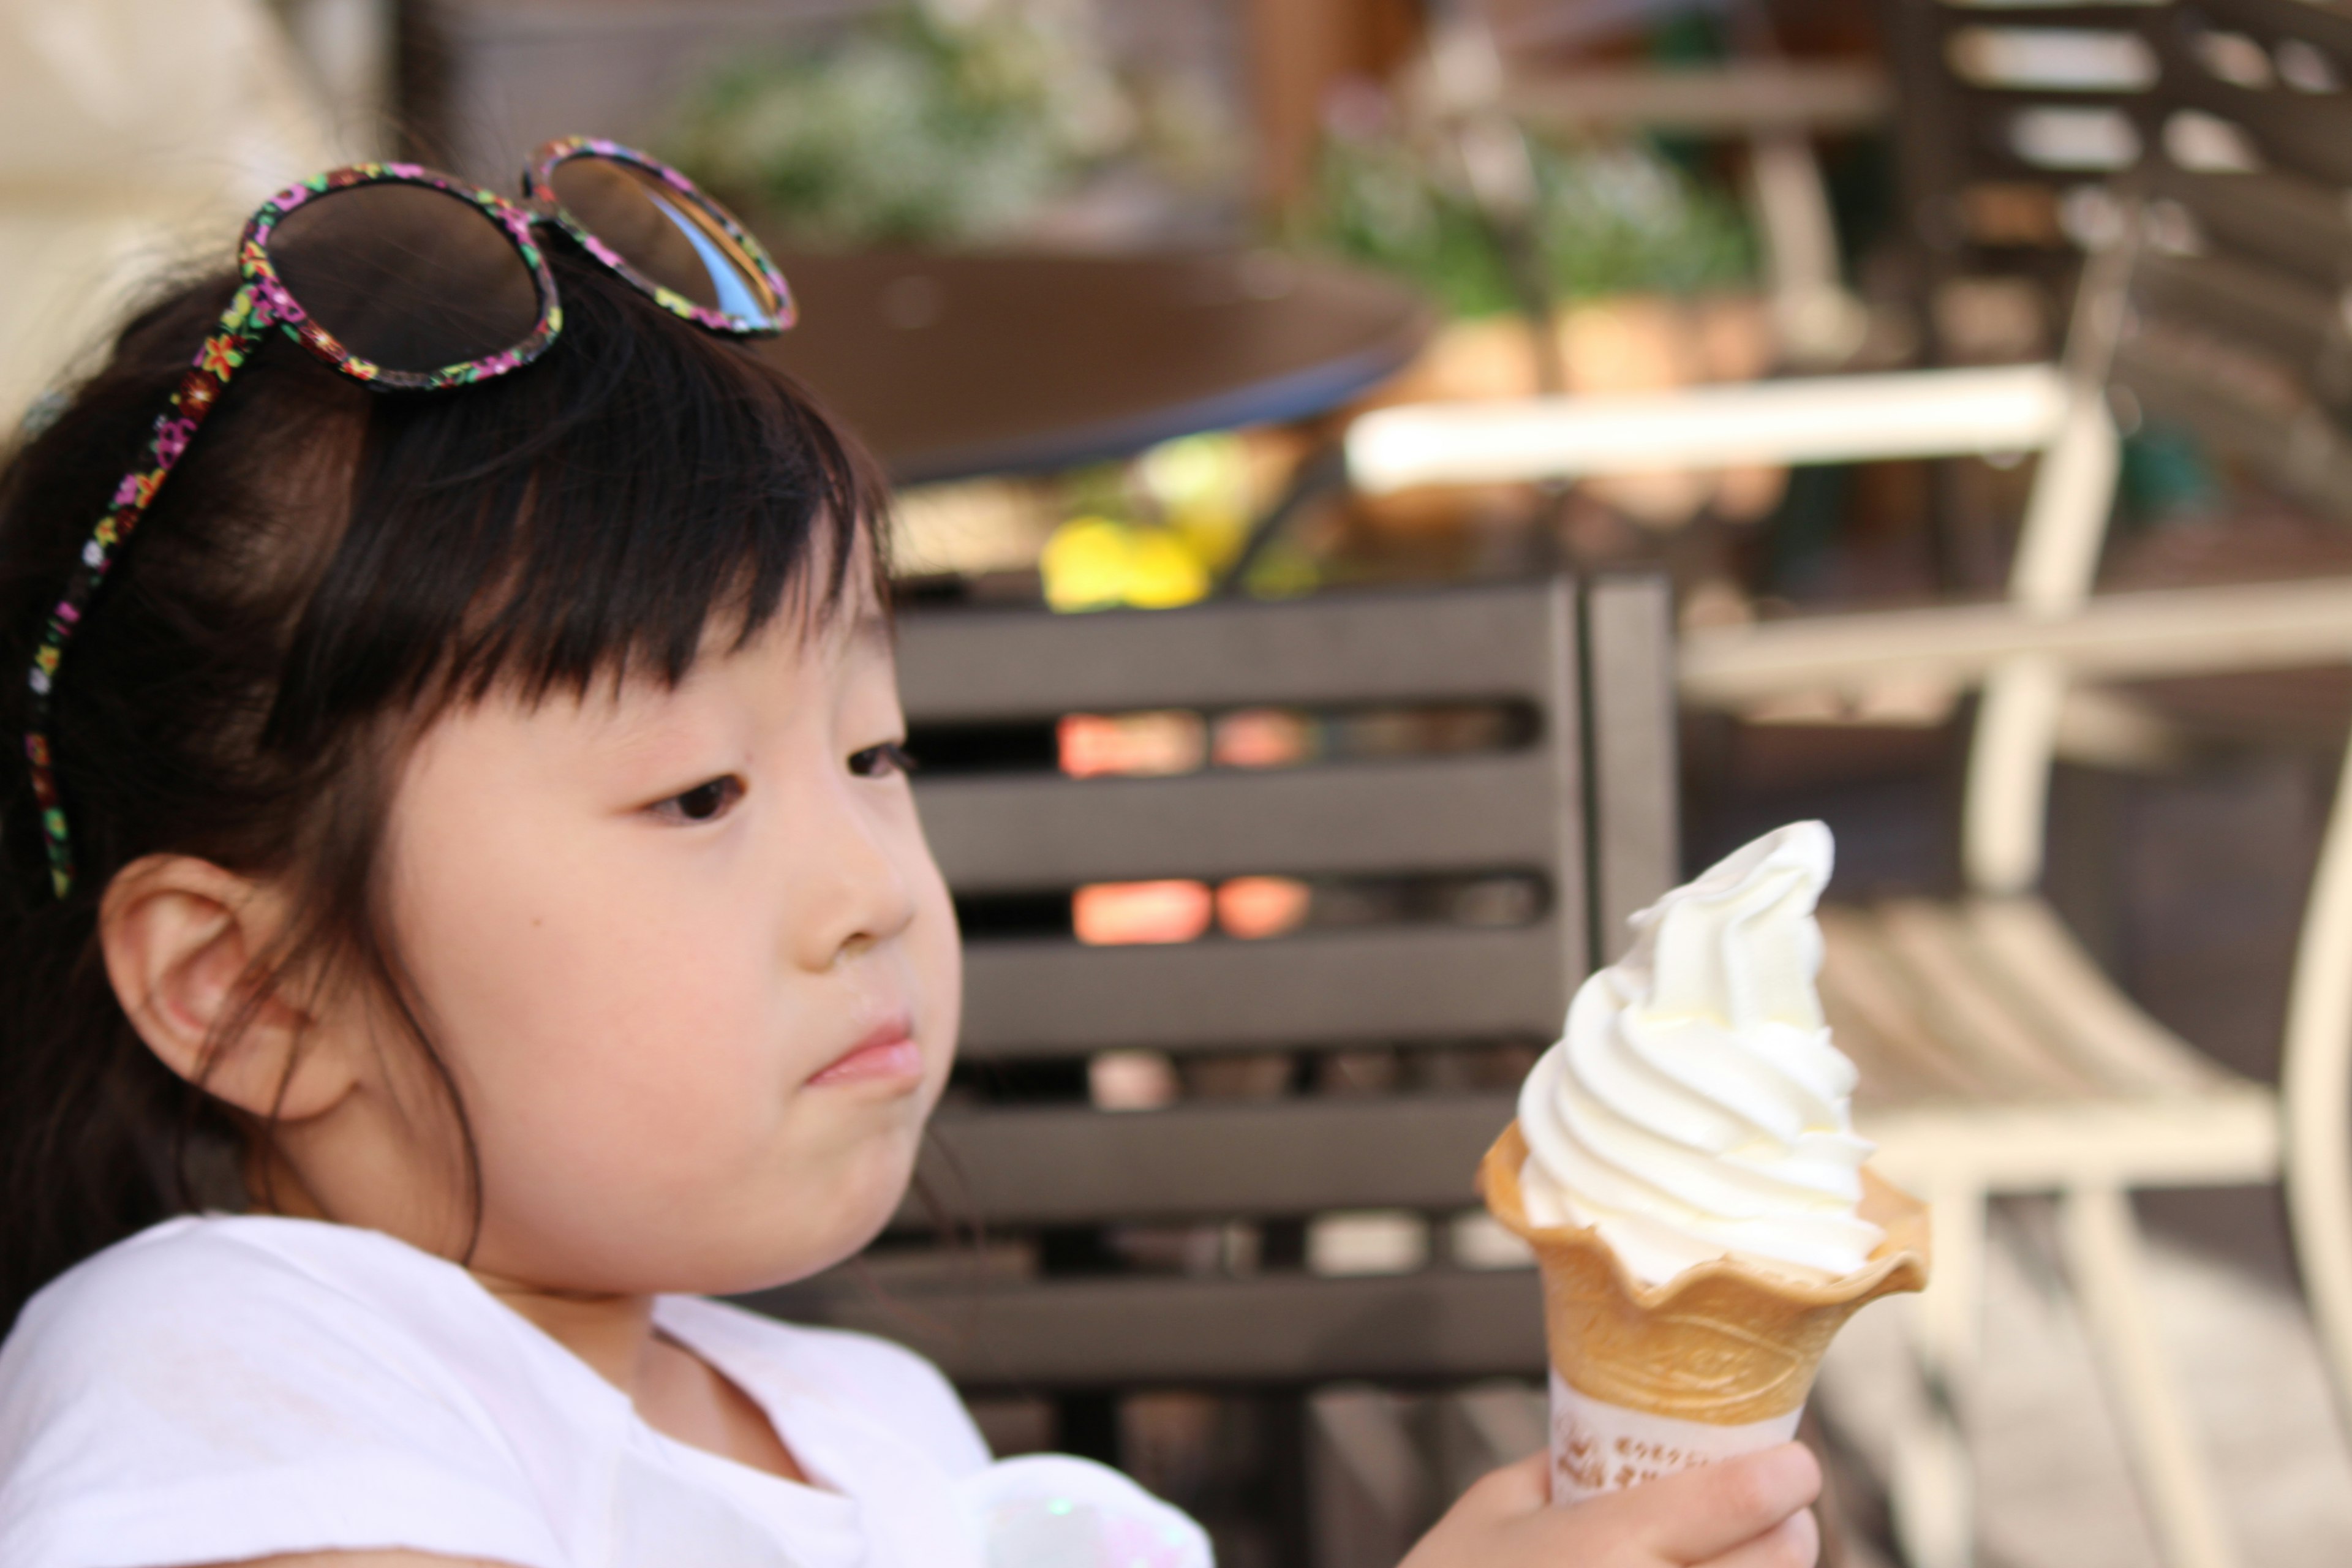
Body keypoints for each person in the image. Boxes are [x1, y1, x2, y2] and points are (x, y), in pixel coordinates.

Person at [0, 143, 1822, 1568]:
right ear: (240, 992)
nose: (875, 885)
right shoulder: (227, 1385)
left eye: (875, 751)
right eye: (700, 795)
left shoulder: (862, 1426)